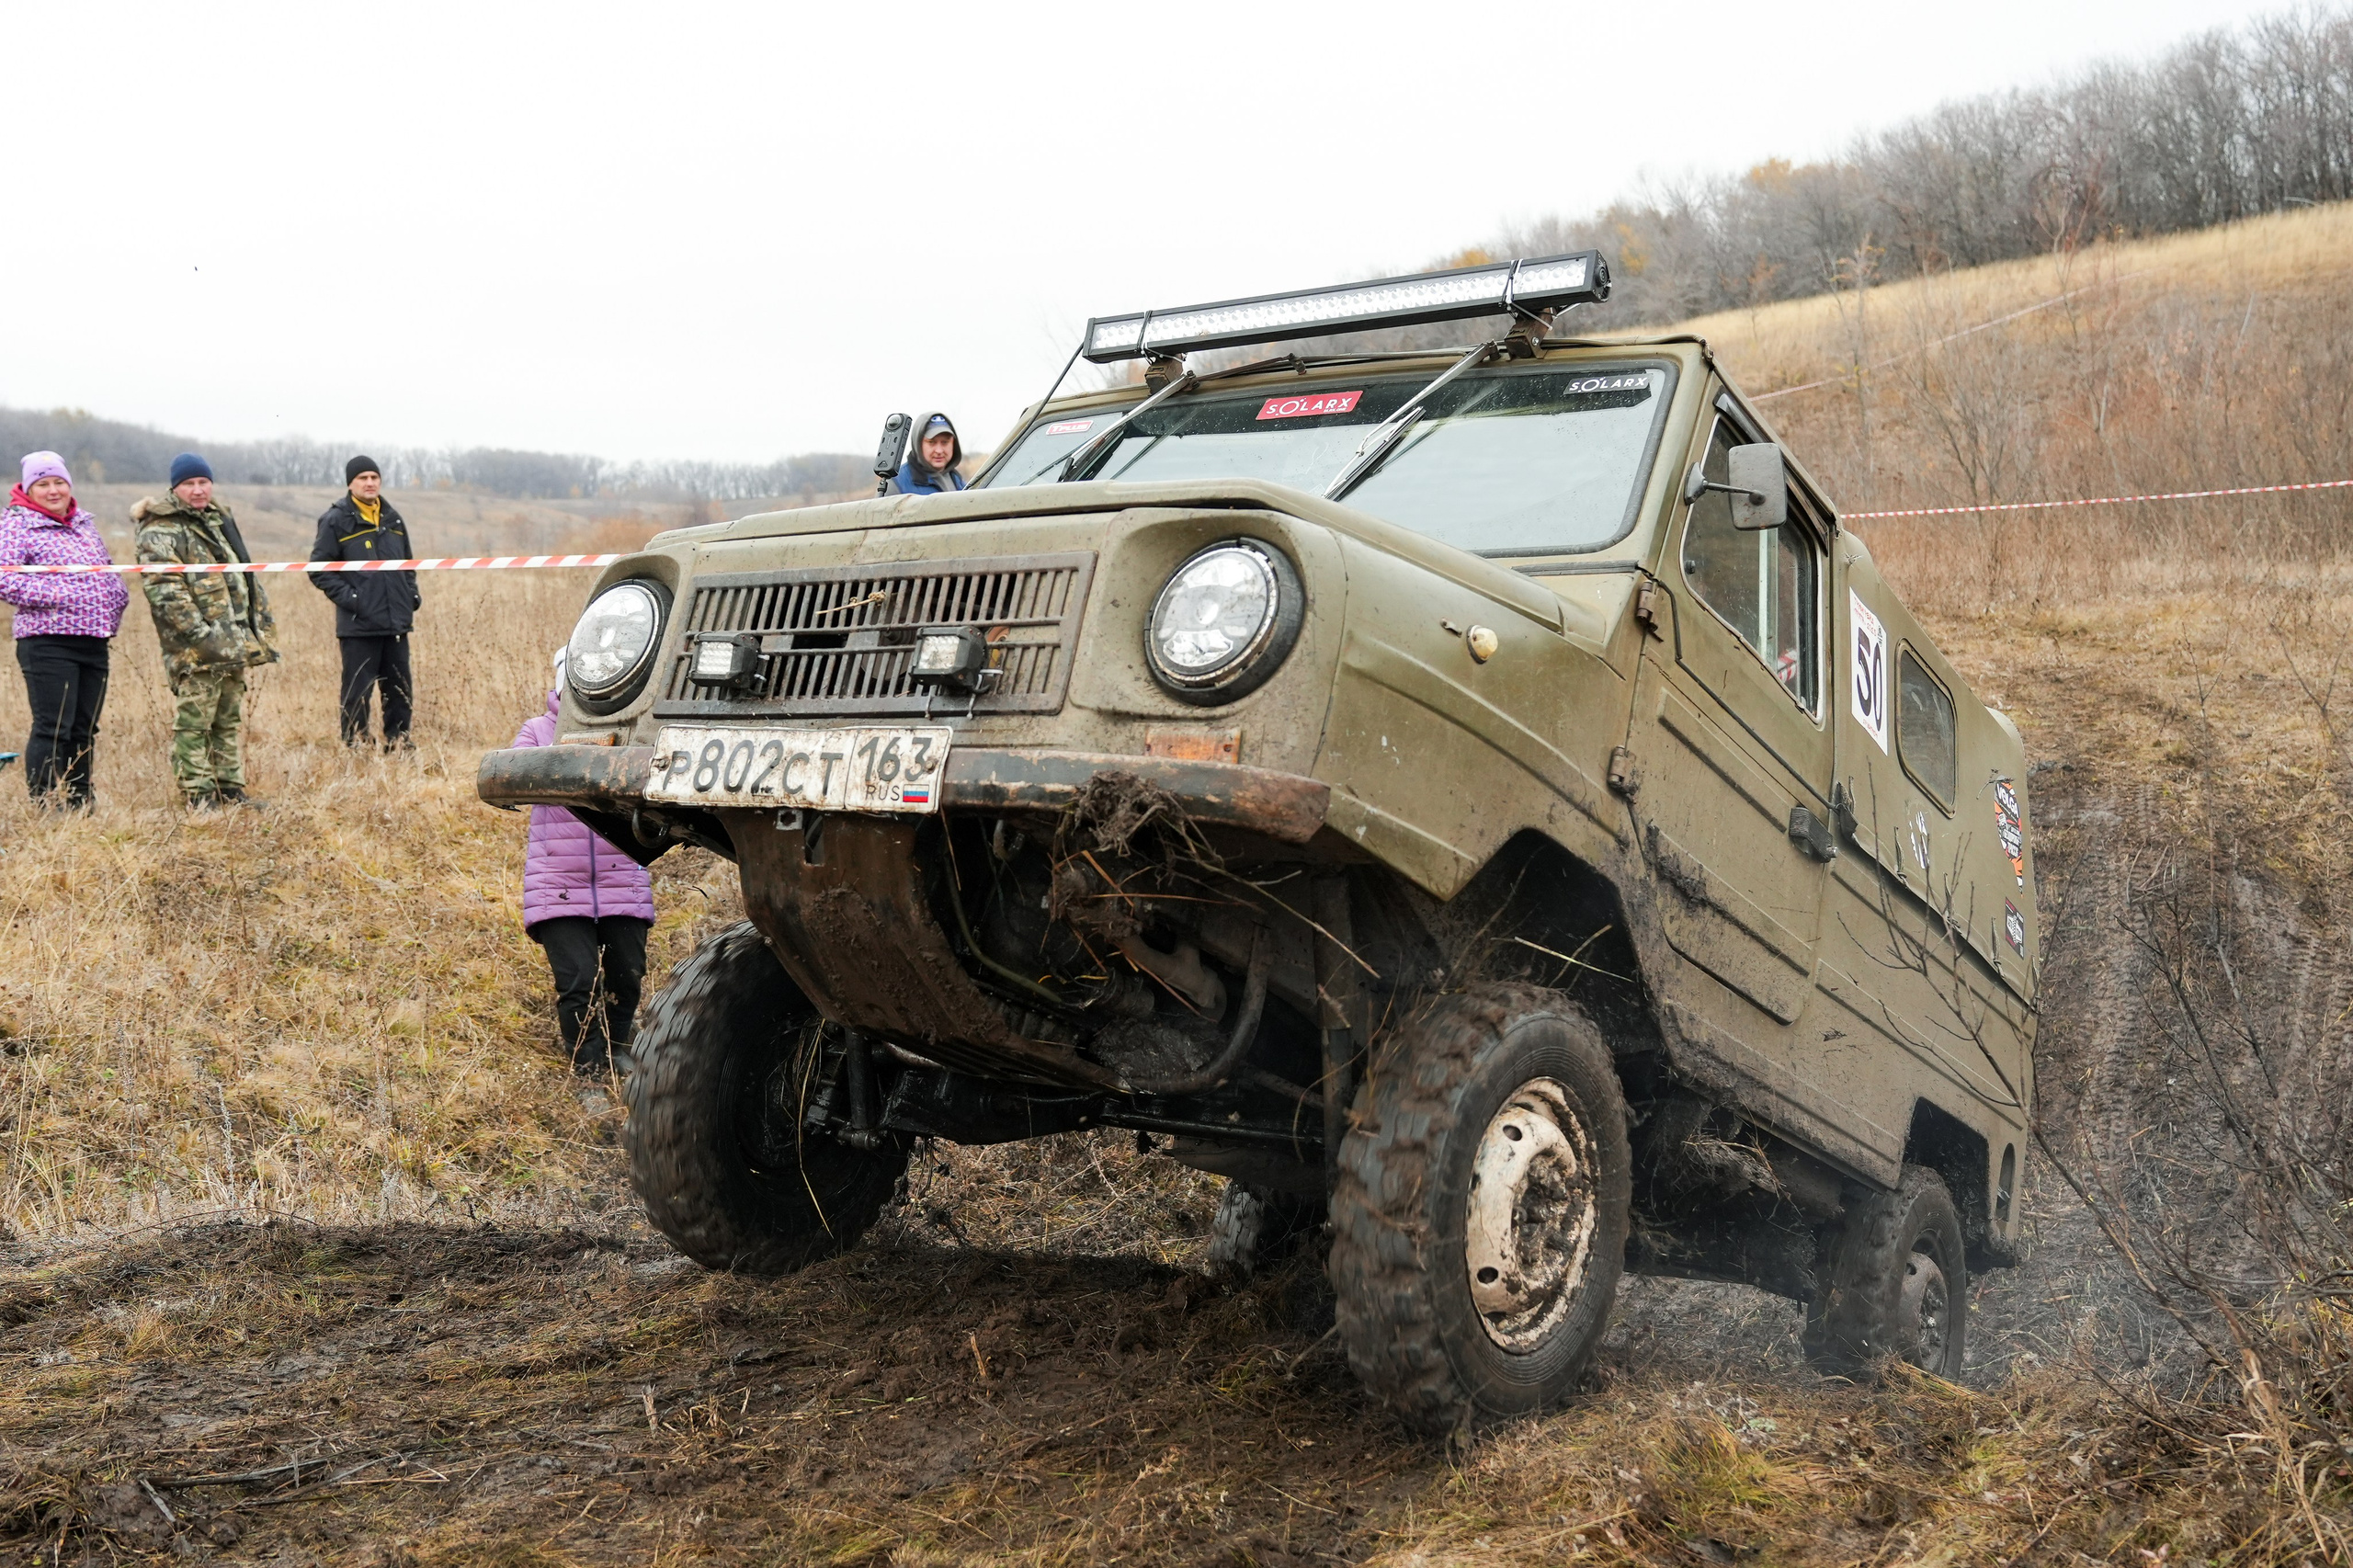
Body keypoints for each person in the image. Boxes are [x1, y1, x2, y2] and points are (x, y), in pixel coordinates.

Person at [513, 652, 655, 1074]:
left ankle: (617, 1048)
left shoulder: (635, 733)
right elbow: (516, 775)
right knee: (577, 981)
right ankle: (588, 1071)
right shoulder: (538, 731)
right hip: (556, 881)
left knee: (627, 976)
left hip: (621, 876)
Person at [133, 453, 279, 808]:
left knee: (227, 719)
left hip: (233, 640)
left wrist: (250, 630)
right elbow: (164, 589)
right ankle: (198, 794)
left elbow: (242, 575)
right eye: (189, 484)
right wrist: (201, 635)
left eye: (203, 482)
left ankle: (229, 788)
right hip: (195, 646)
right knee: (195, 721)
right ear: (175, 488)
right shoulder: (160, 528)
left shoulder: (218, 521)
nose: (198, 490)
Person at [0, 453, 129, 807]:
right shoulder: (16, 524)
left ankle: (80, 799)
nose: (53, 490)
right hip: (46, 641)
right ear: (29, 489)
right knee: (53, 727)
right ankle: (44, 802)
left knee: (84, 728)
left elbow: (104, 569)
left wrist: (116, 598)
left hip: (94, 639)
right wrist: (60, 596)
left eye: (59, 482)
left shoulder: (84, 523)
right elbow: (4, 578)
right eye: (43, 484)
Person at [309, 456, 418, 748]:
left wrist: (412, 595)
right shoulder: (336, 519)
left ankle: (399, 742)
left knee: (399, 689)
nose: (370, 483)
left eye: (374, 477)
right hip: (359, 625)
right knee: (357, 690)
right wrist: (354, 600)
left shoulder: (393, 517)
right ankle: (357, 744)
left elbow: (407, 563)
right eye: (362, 478)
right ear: (351, 483)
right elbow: (319, 570)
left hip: (396, 621)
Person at [887, 413, 968, 495]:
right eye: (931, 442)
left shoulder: (957, 480)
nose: (939, 451)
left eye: (945, 442)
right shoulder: (896, 483)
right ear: (918, 444)